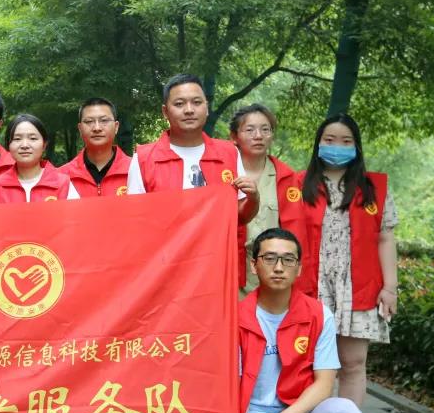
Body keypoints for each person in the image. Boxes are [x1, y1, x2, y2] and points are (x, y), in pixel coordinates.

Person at [236, 228, 363, 413]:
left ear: (299, 268)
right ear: (254, 265)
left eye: (288, 259)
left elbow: (325, 383)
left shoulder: (318, 314)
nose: (279, 267)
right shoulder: (235, 317)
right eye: (270, 258)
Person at [298, 113, 398, 408]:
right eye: (329, 140)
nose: (337, 147)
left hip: (358, 286)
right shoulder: (297, 185)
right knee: (311, 363)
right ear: (318, 144)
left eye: (346, 141)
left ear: (356, 146)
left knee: (353, 362)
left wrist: (390, 287)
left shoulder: (374, 188)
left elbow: (386, 238)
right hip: (312, 284)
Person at [126, 74, 259, 286]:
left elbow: (240, 216)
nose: (189, 110)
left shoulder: (229, 153)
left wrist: (253, 198)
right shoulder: (144, 158)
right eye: (179, 104)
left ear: (206, 107)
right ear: (165, 111)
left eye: (196, 102)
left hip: (217, 269)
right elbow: (135, 223)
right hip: (165, 274)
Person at [229, 103, 307, 296]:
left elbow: (295, 230)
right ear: (234, 137)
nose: (258, 136)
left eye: (265, 129)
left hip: (273, 271)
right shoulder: (223, 174)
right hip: (230, 270)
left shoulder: (286, 178)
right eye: (250, 130)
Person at [0, 113, 80, 203]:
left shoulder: (63, 184)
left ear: (44, 145)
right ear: (8, 145)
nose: (25, 145)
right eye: (17, 139)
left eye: (33, 138)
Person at [60, 97, 131, 197]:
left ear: (116, 127)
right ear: (80, 129)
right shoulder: (61, 177)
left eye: (104, 120)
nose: (97, 128)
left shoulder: (136, 171)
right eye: (89, 122)